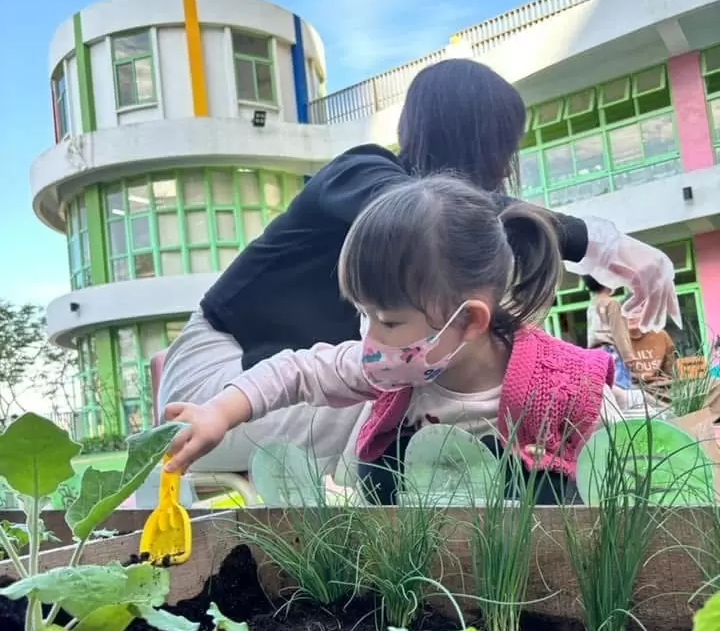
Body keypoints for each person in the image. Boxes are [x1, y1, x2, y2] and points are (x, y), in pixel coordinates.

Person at [159, 59, 680, 476]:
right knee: (413, 405)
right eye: (508, 147)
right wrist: (603, 244)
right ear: (488, 142)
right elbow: (443, 215)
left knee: (439, 382)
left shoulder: (428, 262)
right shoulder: (366, 175)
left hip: (277, 375)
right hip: (218, 383)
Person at [165, 175, 621, 505]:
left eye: (388, 320)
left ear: (469, 322)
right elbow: (296, 372)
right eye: (363, 315)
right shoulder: (391, 367)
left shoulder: (565, 388)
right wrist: (219, 413)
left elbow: (632, 456)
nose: (370, 338)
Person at [584, 275, 635, 390]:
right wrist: (628, 356)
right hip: (612, 352)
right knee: (623, 390)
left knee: (608, 390)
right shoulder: (612, 303)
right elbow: (619, 331)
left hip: (596, 354)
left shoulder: (592, 305)